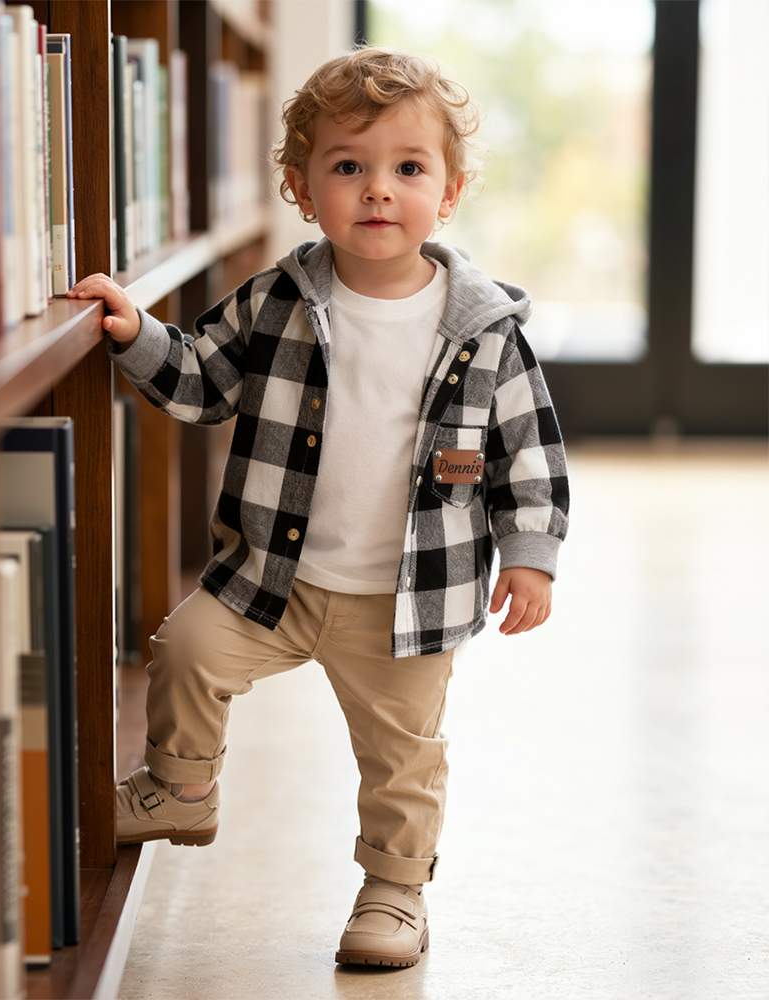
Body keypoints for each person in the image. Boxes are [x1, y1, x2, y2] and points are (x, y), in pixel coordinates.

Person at [68, 46, 569, 968]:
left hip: (404, 603)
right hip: (274, 578)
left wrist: (530, 556)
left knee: (403, 756)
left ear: (449, 193)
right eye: (348, 166)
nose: (378, 189)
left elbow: (528, 453)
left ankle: (394, 891)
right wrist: (137, 334)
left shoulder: (485, 332)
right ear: (302, 189)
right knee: (186, 648)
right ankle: (182, 789)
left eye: (408, 168)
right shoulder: (277, 301)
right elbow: (202, 382)